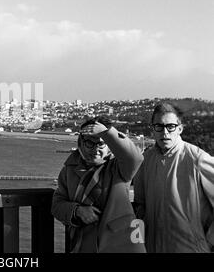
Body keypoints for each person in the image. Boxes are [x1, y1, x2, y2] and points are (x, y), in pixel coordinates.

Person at [51, 116, 145, 253]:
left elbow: (135, 158)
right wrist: (77, 211)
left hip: (120, 243)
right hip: (84, 243)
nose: (96, 150)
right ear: (80, 143)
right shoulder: (69, 169)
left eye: (101, 144)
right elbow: (57, 205)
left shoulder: (119, 167)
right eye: (90, 143)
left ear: (109, 146)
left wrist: (107, 132)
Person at [134, 103, 214, 252]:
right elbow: (139, 207)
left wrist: (207, 243)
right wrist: (138, 244)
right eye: (159, 126)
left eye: (170, 126)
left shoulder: (197, 158)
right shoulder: (145, 160)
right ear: (153, 129)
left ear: (180, 129)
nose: (165, 132)